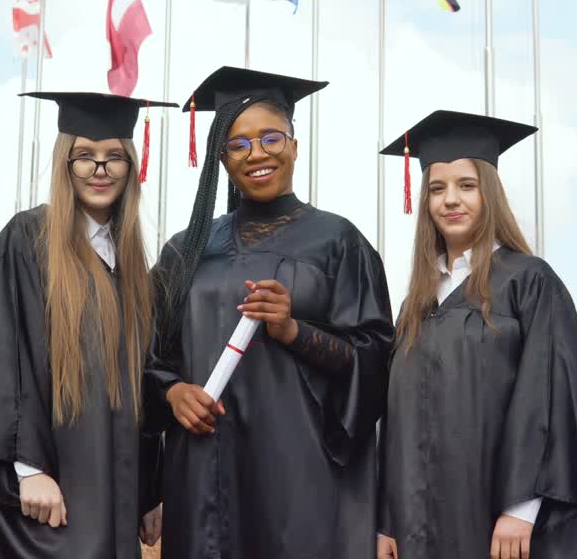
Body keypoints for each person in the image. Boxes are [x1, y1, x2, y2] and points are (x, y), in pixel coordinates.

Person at [144, 66, 395, 559]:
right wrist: (172, 392)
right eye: (238, 144)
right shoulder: (185, 250)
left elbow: (374, 361)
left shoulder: (338, 242)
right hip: (203, 476)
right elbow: (145, 354)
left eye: (271, 138)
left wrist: (294, 330)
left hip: (302, 480)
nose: (256, 153)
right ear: (222, 158)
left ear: (295, 146)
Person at [376, 111, 577, 559]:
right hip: (418, 522)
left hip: (500, 520)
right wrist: (387, 521)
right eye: (437, 189)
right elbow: (396, 420)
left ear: (489, 193)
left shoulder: (528, 282)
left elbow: (549, 397)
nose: (450, 200)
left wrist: (521, 507)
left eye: (466, 185)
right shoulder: (415, 304)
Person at [0, 91, 176, 559]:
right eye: (84, 156)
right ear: (65, 163)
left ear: (131, 168)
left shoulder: (132, 270)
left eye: (114, 156)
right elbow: (4, 351)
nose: (100, 169)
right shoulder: (28, 239)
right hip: (51, 491)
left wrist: (148, 490)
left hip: (114, 495)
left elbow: (138, 387)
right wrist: (27, 467)